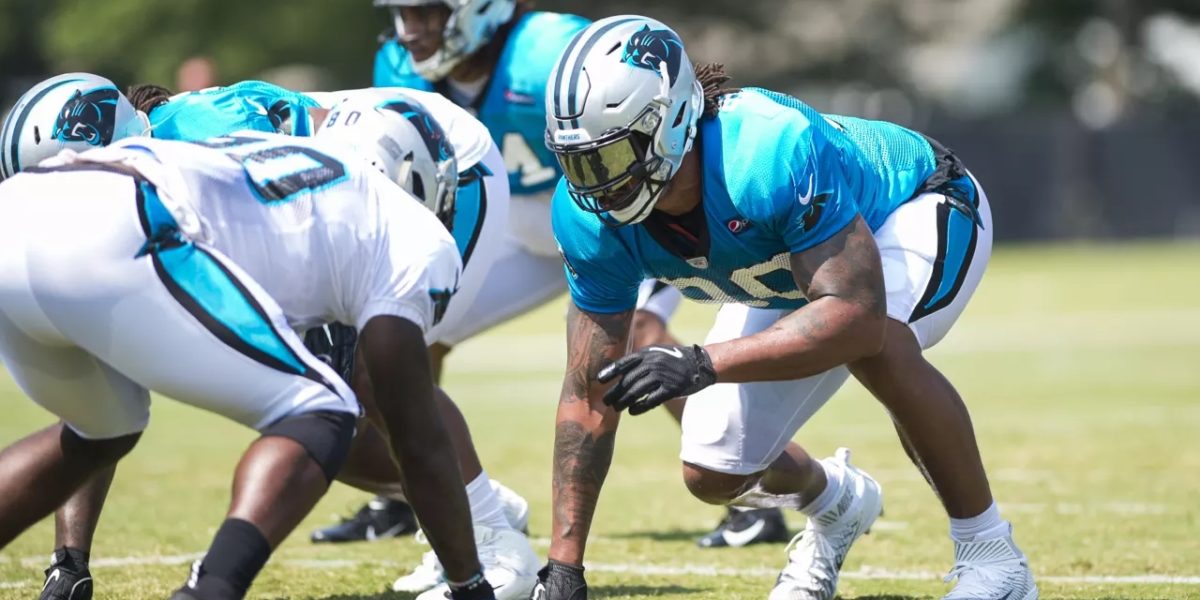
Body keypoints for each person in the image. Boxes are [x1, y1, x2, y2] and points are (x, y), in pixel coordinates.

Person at [535, 15, 1037, 600]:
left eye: (612, 155)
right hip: (801, 273)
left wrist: (701, 362)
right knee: (713, 471)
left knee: (879, 344)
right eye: (579, 162)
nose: (595, 183)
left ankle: (994, 559)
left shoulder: (765, 148)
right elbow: (586, 392)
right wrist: (564, 569)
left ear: (669, 122)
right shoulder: (586, 218)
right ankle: (838, 502)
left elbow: (854, 316)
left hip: (916, 205)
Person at [0, 75, 540, 600]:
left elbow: (319, 182)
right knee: (328, 412)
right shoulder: (144, 174)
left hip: (422, 160)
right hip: (330, 203)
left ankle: (487, 533)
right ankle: (471, 517)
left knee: (365, 386)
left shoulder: (196, 129)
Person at [367, 0, 787, 553]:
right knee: (409, 335)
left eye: (428, 14)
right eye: (405, 15)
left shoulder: (546, 52)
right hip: (515, 221)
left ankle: (753, 493)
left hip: (617, 211)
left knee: (640, 338)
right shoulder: (396, 69)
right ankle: (415, 496)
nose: (412, 32)